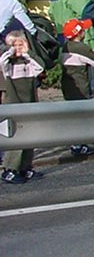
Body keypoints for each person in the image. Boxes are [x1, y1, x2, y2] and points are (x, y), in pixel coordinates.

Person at [1, 31, 44, 184]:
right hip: (14, 104)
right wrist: (11, 50)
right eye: (15, 45)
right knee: (17, 139)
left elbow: (40, 67)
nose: (18, 47)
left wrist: (27, 52)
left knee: (29, 137)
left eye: (21, 44)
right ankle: (10, 169)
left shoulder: (28, 63)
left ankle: (25, 166)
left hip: (29, 103)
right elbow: (2, 60)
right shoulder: (8, 65)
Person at [60, 18, 94, 157]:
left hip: (67, 85)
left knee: (73, 115)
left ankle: (76, 144)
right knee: (81, 115)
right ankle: (80, 145)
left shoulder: (65, 46)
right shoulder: (81, 48)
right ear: (79, 33)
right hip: (81, 84)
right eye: (83, 30)